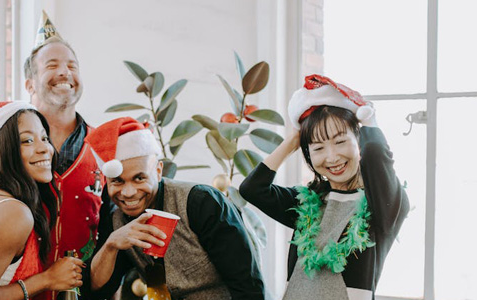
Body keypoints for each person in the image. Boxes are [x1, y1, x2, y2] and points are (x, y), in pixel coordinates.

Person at [239, 75, 409, 300]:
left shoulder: (383, 208)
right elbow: (252, 189)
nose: (332, 157)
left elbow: (376, 155)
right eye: (318, 148)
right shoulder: (306, 203)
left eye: (340, 142)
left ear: (359, 141)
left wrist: (369, 122)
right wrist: (293, 141)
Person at [82, 117, 266, 299]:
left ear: (159, 171)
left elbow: (248, 288)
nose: (128, 192)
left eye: (139, 178)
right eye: (118, 181)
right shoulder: (116, 220)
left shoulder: (201, 202)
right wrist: (111, 244)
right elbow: (97, 290)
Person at [0, 101, 84, 300]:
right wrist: (48, 279)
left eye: (44, 138)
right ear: (2, 151)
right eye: (27, 141)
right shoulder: (14, 213)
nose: (45, 148)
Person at [23, 11, 103, 265]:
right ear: (30, 85)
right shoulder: (7, 145)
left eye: (72, 66)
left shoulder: (103, 145)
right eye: (51, 65)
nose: (65, 73)